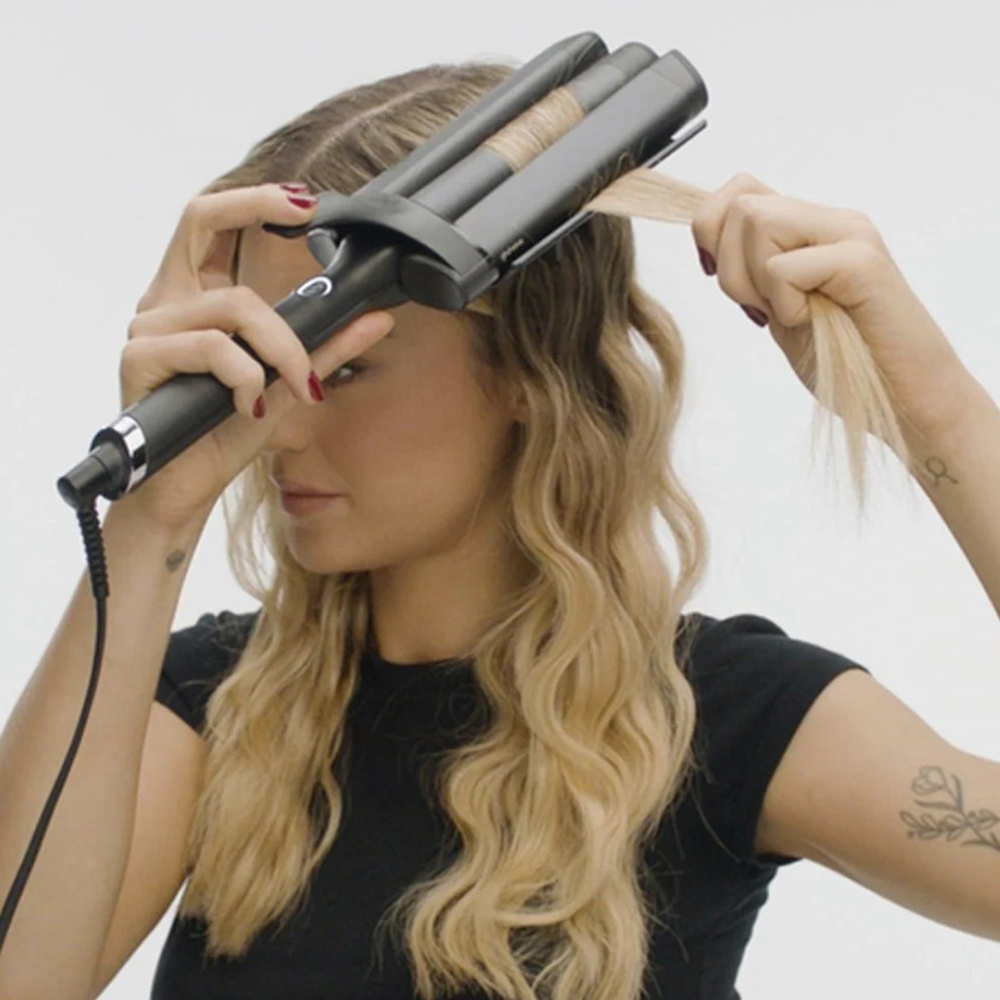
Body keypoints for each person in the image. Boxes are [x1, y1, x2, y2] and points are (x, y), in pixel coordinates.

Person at [1, 59, 998, 1000]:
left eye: (344, 368)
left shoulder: (721, 721)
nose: (279, 426)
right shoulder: (215, 711)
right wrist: (148, 522)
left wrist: (938, 413)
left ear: (530, 368)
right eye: (255, 361)